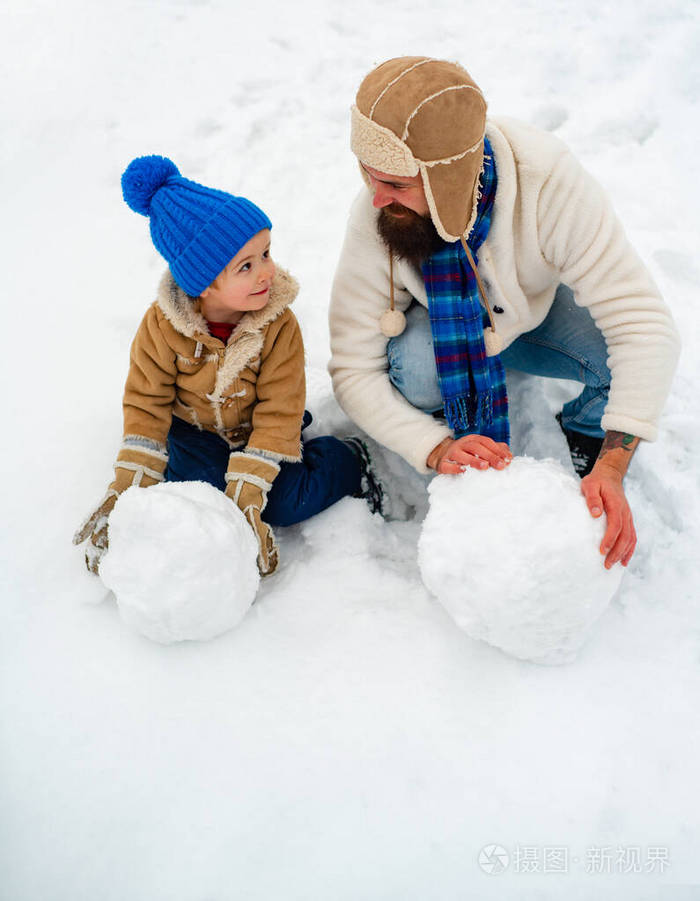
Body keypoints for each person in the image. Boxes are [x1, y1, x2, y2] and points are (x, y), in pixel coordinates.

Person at [329, 56, 680, 570]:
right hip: (437, 328)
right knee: (420, 377)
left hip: (525, 318)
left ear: (447, 179)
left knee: (616, 359)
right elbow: (353, 368)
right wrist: (432, 446)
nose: (376, 197)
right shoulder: (377, 212)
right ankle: (445, 415)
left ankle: (585, 436)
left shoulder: (547, 181)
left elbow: (645, 326)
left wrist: (612, 465)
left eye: (398, 185)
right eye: (367, 173)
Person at [74, 155, 381, 577]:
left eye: (267, 253)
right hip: (195, 434)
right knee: (197, 495)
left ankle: (346, 459)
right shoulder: (163, 326)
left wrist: (254, 475)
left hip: (263, 431)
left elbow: (281, 405)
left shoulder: (276, 324)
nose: (267, 273)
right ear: (202, 283)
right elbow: (147, 401)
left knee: (285, 502)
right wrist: (132, 480)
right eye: (247, 266)